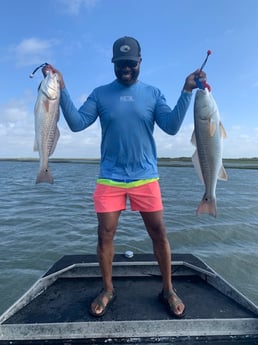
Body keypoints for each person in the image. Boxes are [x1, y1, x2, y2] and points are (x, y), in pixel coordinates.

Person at [45, 36, 206, 318]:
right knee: (104, 234)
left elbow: (170, 127)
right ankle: (108, 288)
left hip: (146, 177)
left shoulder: (154, 94)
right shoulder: (100, 93)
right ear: (114, 65)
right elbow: (77, 123)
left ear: (140, 62)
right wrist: (63, 89)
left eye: (130, 63)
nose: (126, 69)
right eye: (120, 64)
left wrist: (186, 91)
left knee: (159, 232)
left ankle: (168, 288)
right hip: (110, 177)